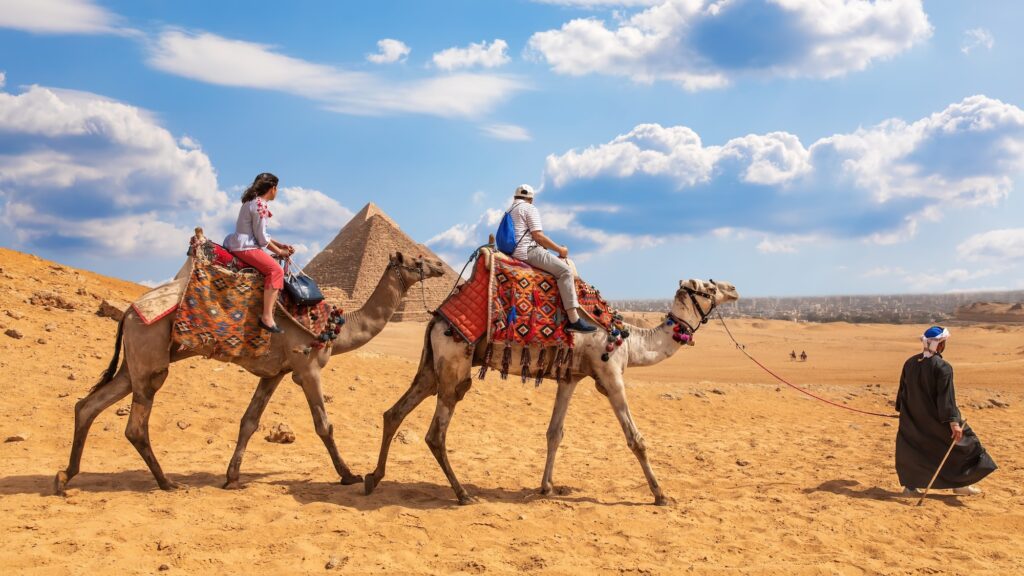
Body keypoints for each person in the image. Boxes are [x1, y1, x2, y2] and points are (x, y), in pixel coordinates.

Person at [895, 326, 997, 496]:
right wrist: (954, 423)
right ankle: (960, 483)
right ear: (939, 345)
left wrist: (902, 411)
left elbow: (902, 392)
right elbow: (946, 398)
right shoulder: (943, 367)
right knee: (967, 445)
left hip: (913, 420)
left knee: (915, 450)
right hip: (937, 421)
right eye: (944, 342)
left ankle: (912, 488)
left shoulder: (910, 362)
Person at [507, 184, 595, 333]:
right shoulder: (529, 208)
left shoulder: (509, 210)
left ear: (515, 197)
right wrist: (561, 250)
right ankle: (574, 320)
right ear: (531, 199)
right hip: (527, 251)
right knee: (565, 271)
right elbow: (538, 236)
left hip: (512, 251)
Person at [223, 172, 295, 333]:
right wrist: (281, 253)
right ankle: (267, 317)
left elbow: (260, 234)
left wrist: (280, 245)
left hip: (238, 243)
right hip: (246, 247)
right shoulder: (261, 205)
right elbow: (262, 239)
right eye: (277, 189)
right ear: (273, 188)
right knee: (275, 270)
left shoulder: (250, 202)